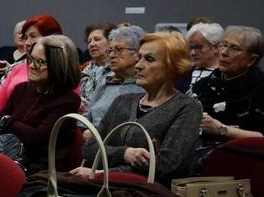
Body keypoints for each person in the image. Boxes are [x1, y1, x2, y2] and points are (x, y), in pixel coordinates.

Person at [72, 32, 202, 185]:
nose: (138, 65)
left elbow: (166, 166)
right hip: (106, 187)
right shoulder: (123, 101)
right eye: (139, 57)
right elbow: (90, 148)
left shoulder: (187, 107)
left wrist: (104, 173)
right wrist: (125, 154)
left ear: (171, 66)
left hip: (150, 195)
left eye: (149, 59)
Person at [0, 34, 82, 173]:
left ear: (59, 65)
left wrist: (7, 122)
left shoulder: (68, 101)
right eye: (30, 59)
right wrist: (16, 127)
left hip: (39, 173)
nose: (31, 66)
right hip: (5, 159)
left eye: (40, 62)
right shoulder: (21, 90)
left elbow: (37, 139)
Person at [192, 25, 264, 149]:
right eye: (224, 45)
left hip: (238, 154)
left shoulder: (260, 89)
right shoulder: (207, 83)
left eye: (234, 48)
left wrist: (221, 129)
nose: (223, 53)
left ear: (251, 60)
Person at [0, 13, 64, 119]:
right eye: (25, 38)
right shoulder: (16, 68)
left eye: (33, 36)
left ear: (51, 38)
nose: (27, 43)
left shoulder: (63, 72)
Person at [84, 24, 145, 129]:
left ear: (137, 53)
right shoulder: (106, 80)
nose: (111, 55)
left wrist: (97, 135)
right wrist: (84, 130)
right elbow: (87, 115)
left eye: (119, 49)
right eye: (110, 50)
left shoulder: (144, 86)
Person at [177, 21, 222, 93]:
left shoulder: (225, 76)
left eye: (198, 47)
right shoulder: (183, 74)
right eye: (190, 48)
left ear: (216, 47)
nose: (192, 53)